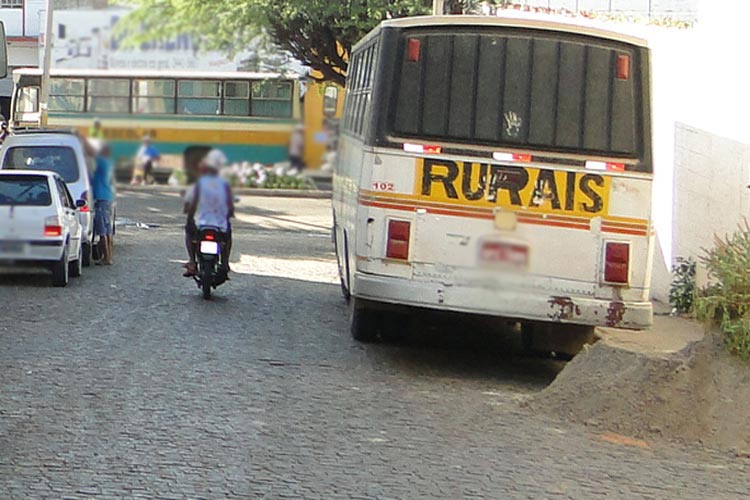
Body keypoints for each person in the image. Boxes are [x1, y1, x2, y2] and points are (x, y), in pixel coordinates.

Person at [183, 149, 234, 277]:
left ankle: (192, 262)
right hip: (220, 226)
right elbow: (230, 206)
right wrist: (228, 215)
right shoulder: (224, 184)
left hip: (202, 224)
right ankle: (225, 262)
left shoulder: (200, 183)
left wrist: (190, 218)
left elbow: (192, 203)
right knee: (227, 238)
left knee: (189, 234)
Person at [92, 142, 115, 265]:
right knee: (107, 228)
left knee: (102, 230)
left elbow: (90, 155)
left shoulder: (101, 161)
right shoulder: (109, 162)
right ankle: (109, 256)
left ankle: (106, 258)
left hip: (100, 198)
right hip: (107, 197)